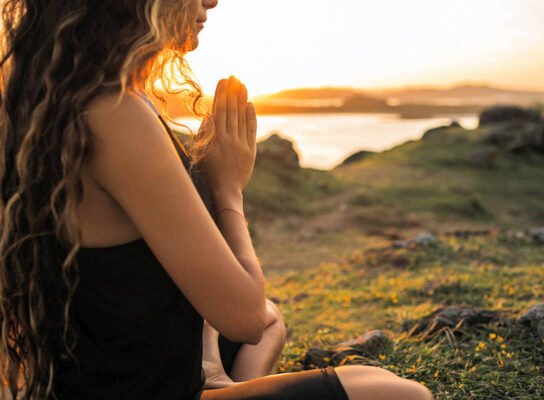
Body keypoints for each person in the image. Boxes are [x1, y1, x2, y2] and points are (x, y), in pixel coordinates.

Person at [0, 0, 433, 399]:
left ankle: (218, 377)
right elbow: (240, 316)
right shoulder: (115, 114)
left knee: (271, 320)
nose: (211, 0)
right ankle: (218, 382)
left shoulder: (65, 102)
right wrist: (228, 188)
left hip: (107, 380)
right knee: (400, 394)